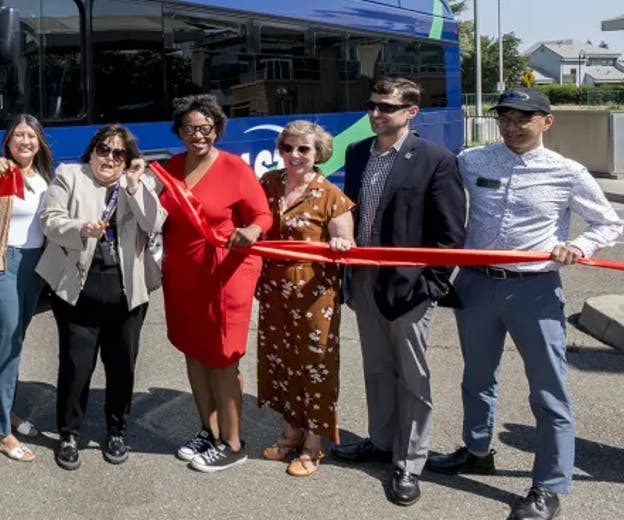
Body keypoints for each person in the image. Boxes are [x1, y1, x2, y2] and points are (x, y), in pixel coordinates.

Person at [427, 87, 622, 520]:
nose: (512, 127)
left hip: (535, 290)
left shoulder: (567, 172)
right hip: (476, 285)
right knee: (477, 377)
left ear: (546, 122)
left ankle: (549, 486)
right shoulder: (472, 161)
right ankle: (477, 450)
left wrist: (579, 245)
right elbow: (435, 190)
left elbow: (608, 222)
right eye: (505, 119)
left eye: (523, 119)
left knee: (549, 390)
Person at [330, 77, 466, 507]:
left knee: (412, 377)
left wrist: (431, 285)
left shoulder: (435, 159)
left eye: (386, 107)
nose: (375, 113)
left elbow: (450, 234)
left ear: (411, 112)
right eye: (372, 105)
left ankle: (409, 461)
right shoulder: (357, 152)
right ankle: (382, 440)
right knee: (376, 368)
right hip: (363, 279)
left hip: (409, 285)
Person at [38, 124, 165, 471]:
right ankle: (68, 434)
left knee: (122, 367)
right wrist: (80, 228)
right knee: (75, 367)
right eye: (103, 149)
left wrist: (135, 185)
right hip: (79, 288)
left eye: (118, 153)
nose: (109, 158)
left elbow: (154, 222)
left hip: (125, 291)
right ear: (92, 151)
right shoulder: (70, 175)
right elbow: (49, 220)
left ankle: (117, 430)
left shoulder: (140, 183)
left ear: (128, 160)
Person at [160, 95, 272, 473]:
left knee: (223, 358)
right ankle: (208, 432)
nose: (198, 135)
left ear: (217, 130)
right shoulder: (172, 166)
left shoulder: (234, 167)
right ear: (179, 132)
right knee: (194, 353)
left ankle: (233, 443)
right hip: (183, 275)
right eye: (190, 128)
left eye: (206, 128)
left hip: (226, 274)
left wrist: (252, 230)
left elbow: (262, 215)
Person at [255, 121, 355, 477]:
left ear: (318, 153)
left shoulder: (330, 195)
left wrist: (340, 243)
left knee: (315, 366)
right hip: (274, 291)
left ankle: (313, 445)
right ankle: (291, 433)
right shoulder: (268, 183)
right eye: (288, 148)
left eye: (303, 149)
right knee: (281, 362)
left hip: (314, 294)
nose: (294, 155)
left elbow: (347, 242)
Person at [0, 114, 55, 462]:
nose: (25, 141)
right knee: (6, 340)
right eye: (18, 135)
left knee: (15, 340)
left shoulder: (44, 175)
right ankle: (1, 429)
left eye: (31, 136)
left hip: (34, 264)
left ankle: (3, 411)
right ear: (8, 140)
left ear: (39, 142)